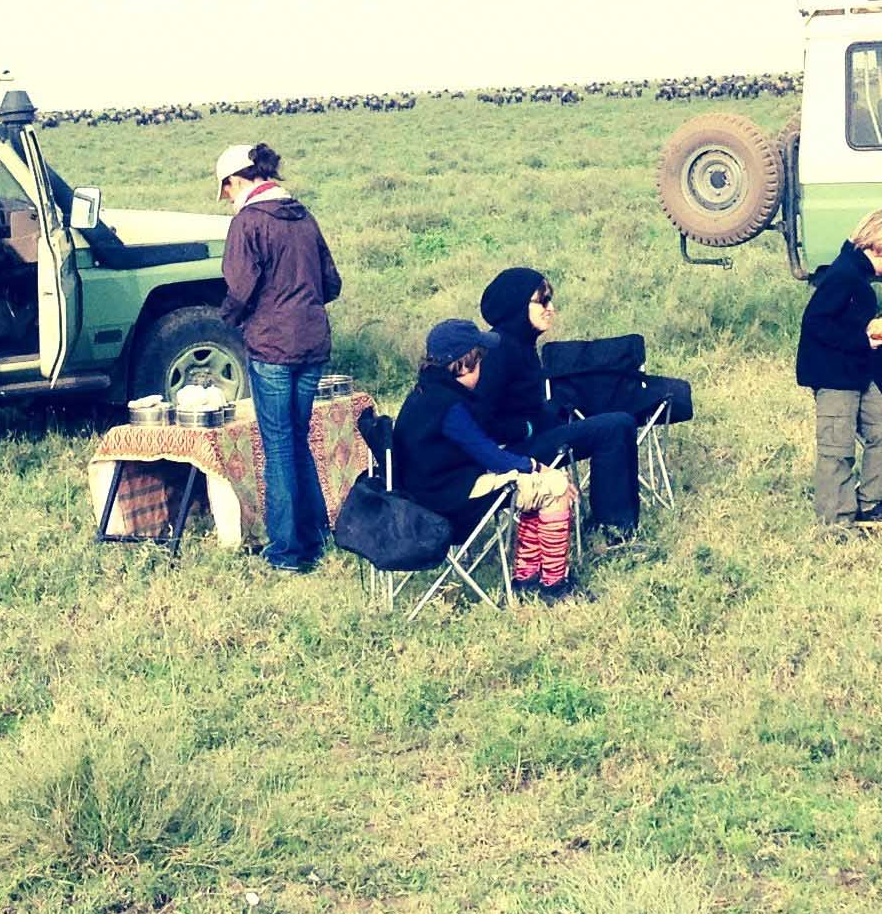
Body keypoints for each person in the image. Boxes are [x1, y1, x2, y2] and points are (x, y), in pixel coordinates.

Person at [215, 141, 343, 574]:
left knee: (279, 446)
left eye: (226, 188)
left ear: (237, 181)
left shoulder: (248, 223)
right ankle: (316, 537)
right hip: (312, 342)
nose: (226, 198)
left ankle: (287, 552)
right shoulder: (304, 217)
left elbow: (240, 289)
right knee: (299, 439)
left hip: (272, 346)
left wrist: (225, 320)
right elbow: (332, 284)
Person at [389, 318, 581, 600]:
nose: (482, 369)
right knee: (555, 486)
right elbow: (489, 454)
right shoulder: (451, 406)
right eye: (479, 362)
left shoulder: (424, 393)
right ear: (463, 365)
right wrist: (536, 467)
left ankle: (527, 577)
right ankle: (553, 585)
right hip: (447, 500)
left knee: (530, 485)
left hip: (424, 492)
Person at [477, 266, 641, 539]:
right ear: (517, 306)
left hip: (526, 440)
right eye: (542, 301)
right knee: (616, 426)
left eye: (550, 300)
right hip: (506, 454)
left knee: (606, 421)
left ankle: (613, 521)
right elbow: (481, 420)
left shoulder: (521, 345)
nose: (550, 308)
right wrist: (526, 428)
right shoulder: (498, 351)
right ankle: (612, 528)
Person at [797, 209, 882, 529]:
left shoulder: (856, 275)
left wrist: (867, 333)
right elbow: (816, 323)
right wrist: (862, 339)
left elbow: (842, 322)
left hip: (858, 372)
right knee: (837, 448)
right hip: (834, 377)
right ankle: (835, 521)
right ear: (877, 247)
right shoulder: (843, 275)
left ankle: (871, 503)